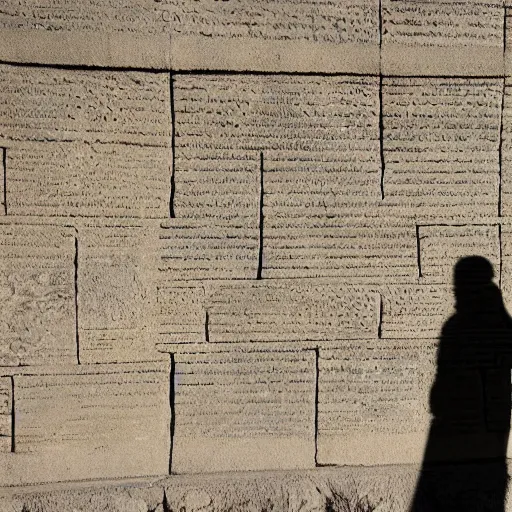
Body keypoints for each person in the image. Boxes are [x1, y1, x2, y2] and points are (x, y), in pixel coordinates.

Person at [410, 256, 512, 511]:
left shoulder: (458, 327)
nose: (455, 294)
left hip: (463, 449)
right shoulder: (501, 326)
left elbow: (442, 393)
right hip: (488, 448)